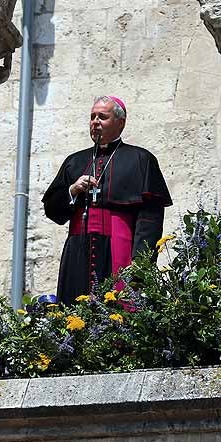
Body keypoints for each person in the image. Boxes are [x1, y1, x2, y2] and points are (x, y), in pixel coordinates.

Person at [43, 95, 173, 303]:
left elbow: (150, 219)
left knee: (118, 314)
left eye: (102, 117)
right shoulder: (74, 161)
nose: (95, 122)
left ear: (120, 123)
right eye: (92, 116)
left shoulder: (141, 159)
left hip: (119, 248)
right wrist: (73, 190)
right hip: (78, 252)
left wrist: (141, 265)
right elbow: (52, 210)